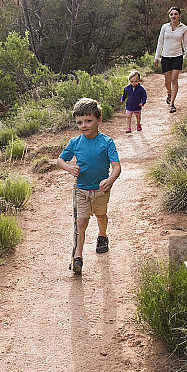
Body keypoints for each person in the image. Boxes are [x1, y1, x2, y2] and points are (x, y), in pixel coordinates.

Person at [56, 98, 121, 274]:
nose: (83, 125)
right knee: (81, 222)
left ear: (99, 120)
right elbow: (60, 160)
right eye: (79, 122)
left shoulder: (107, 142)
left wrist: (110, 180)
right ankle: (78, 257)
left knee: (101, 215)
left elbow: (117, 167)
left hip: (101, 190)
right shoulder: (75, 142)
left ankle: (102, 236)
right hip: (81, 190)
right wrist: (69, 167)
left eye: (88, 121)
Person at [154, 6, 187, 113]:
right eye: (171, 14)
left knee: (174, 79)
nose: (173, 16)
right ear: (169, 16)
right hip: (165, 57)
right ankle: (169, 92)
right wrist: (156, 57)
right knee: (167, 81)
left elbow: (186, 44)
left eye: (175, 14)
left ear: (179, 15)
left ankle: (172, 104)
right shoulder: (164, 27)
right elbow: (160, 42)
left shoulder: (184, 28)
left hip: (177, 57)